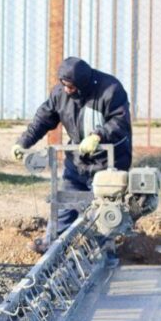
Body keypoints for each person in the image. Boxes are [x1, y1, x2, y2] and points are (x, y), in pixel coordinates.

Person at [11, 57, 132, 252]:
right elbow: (43, 118)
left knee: (102, 210)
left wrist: (98, 136)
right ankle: (52, 243)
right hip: (78, 159)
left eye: (71, 86)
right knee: (65, 202)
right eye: (64, 85)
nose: (67, 90)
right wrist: (23, 142)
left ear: (82, 84)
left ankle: (101, 249)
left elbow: (120, 122)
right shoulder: (60, 94)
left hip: (109, 161)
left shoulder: (110, 90)